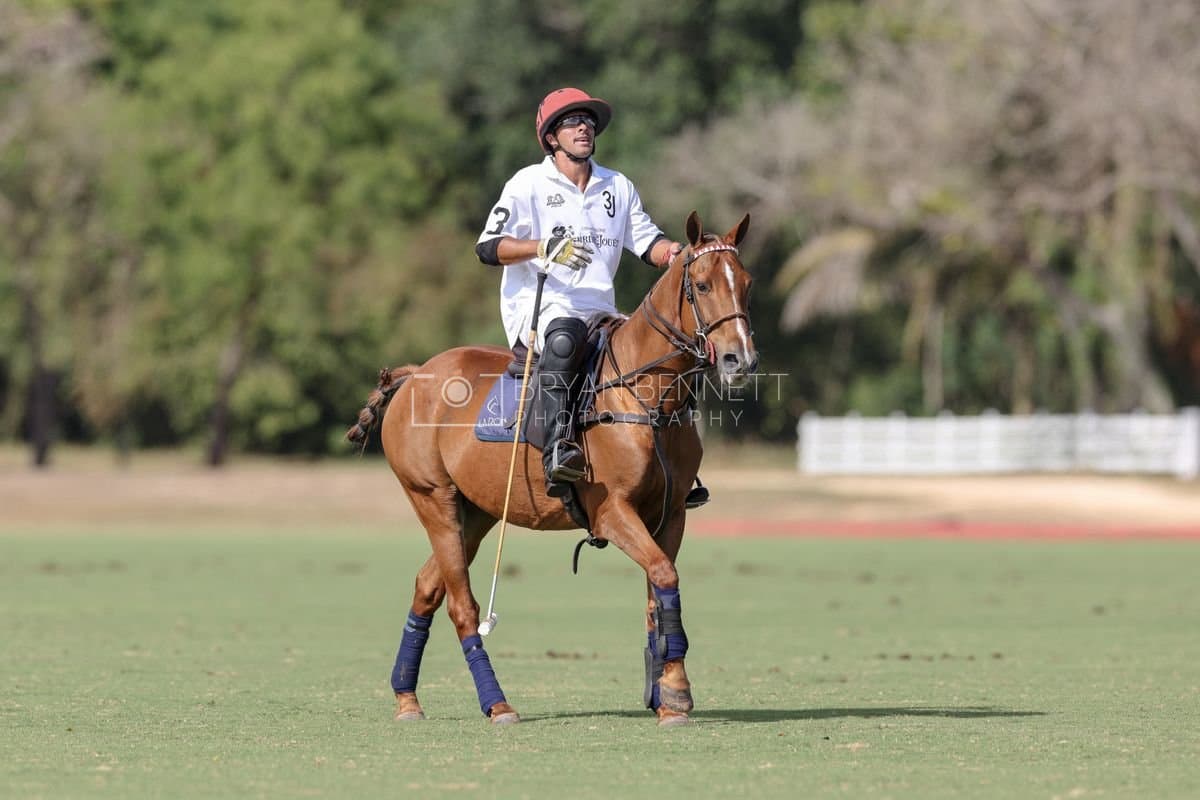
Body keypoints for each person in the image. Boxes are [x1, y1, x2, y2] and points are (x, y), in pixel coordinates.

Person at [476, 87, 683, 498]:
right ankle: (557, 452)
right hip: (545, 308)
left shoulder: (617, 185)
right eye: (572, 121)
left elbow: (646, 242)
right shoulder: (528, 183)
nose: (584, 126)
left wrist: (676, 253)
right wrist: (540, 247)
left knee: (664, 350)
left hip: (601, 309)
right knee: (566, 338)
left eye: (588, 120)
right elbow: (487, 247)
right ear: (552, 137)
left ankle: (677, 466)